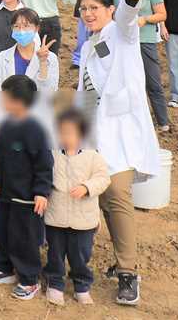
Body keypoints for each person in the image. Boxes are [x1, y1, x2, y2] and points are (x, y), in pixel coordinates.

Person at [75, 0, 162, 307]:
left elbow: (128, 17)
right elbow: (84, 92)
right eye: (83, 10)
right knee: (106, 200)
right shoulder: (90, 43)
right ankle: (117, 261)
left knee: (118, 195)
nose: (88, 14)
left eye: (94, 8)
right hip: (94, 136)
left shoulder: (121, 32)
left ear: (109, 10)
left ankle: (128, 273)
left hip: (122, 135)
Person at [0, 75, 53, 301]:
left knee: (24, 238)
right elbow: (4, 149)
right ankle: (4, 268)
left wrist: (41, 192)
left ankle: (29, 279)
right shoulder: (7, 123)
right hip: (6, 192)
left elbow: (44, 163)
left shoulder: (35, 129)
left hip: (26, 198)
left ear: (17, 101)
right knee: (3, 232)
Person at [43, 109, 110, 306]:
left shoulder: (92, 156)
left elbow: (103, 179)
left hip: (84, 220)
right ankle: (55, 284)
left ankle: (82, 285)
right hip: (56, 216)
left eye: (70, 133)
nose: (65, 137)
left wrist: (86, 187)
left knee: (81, 255)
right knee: (55, 252)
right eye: (61, 132)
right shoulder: (52, 155)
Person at [106, 0, 170, 131]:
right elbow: (100, 4)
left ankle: (163, 121)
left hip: (144, 40)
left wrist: (145, 19)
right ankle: (131, 121)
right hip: (121, 42)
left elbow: (162, 14)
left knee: (152, 82)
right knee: (125, 82)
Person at [0, 8, 59, 145]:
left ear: (37, 28)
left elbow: (49, 93)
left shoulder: (50, 58)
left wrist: (43, 63)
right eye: (17, 26)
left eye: (26, 26)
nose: (21, 30)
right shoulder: (3, 57)